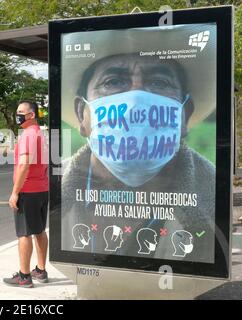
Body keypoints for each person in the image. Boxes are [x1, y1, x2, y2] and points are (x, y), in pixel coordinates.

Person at [61, 53, 215, 263]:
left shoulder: (213, 190)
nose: (136, 99)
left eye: (159, 82)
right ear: (82, 114)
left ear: (184, 115)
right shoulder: (55, 185)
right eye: (113, 82)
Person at [3, 100, 49, 288]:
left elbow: (24, 165)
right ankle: (40, 270)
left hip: (28, 191)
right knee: (39, 230)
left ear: (31, 115)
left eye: (21, 112)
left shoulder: (28, 135)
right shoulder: (41, 133)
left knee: (24, 233)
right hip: (42, 189)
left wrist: (15, 192)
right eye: (17, 111)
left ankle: (24, 276)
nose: (18, 115)